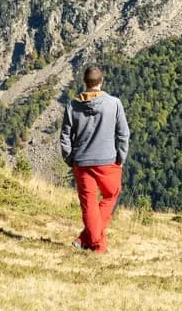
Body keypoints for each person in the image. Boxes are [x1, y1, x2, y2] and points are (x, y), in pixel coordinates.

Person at [60, 65, 130, 253]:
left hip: (82, 162)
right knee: (111, 195)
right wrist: (121, 157)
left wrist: (69, 158)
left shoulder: (72, 106)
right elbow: (123, 133)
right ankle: (98, 246)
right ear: (101, 82)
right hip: (108, 161)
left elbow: (65, 136)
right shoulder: (114, 103)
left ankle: (84, 239)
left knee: (89, 205)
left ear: (85, 82)